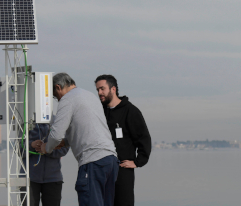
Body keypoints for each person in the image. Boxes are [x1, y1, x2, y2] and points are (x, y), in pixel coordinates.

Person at [32, 72, 119, 206]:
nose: (58, 100)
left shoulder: (67, 99)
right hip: (110, 160)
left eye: (56, 97)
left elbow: (55, 134)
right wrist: (65, 142)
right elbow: (88, 128)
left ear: (58, 87)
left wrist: (46, 148)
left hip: (93, 161)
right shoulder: (89, 96)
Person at [95, 74, 152, 206]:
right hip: (102, 169)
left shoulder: (130, 111)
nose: (99, 93)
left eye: (102, 89)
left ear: (113, 89)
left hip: (123, 169)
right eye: (97, 90)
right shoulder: (100, 111)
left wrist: (138, 162)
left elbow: (144, 138)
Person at [21, 122, 70, 206]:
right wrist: (31, 145)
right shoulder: (26, 122)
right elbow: (18, 149)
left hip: (53, 179)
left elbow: (64, 149)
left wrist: (47, 148)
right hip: (29, 178)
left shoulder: (58, 122)